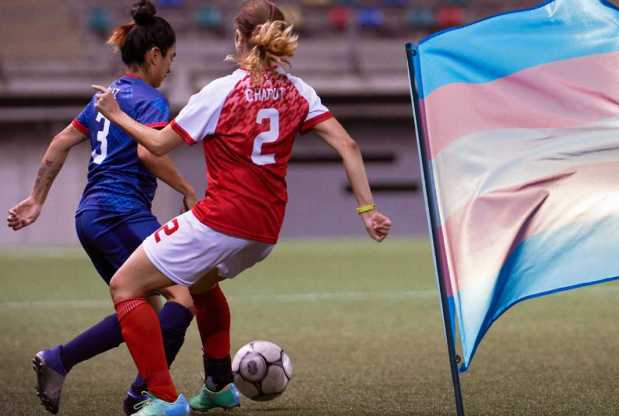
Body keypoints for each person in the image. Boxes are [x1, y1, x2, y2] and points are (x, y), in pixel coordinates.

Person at [92, 0, 392, 414]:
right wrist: (367, 210)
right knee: (200, 285)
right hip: (265, 232)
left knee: (124, 286)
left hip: (220, 221)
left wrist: (115, 113)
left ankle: (163, 399)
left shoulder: (221, 91)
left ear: (239, 38)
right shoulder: (299, 91)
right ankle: (218, 384)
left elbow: (158, 144)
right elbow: (348, 145)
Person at [7, 2, 197, 415]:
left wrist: (38, 199)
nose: (169, 68)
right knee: (182, 299)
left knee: (142, 309)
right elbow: (150, 155)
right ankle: (145, 395)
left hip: (89, 216)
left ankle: (59, 361)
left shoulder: (106, 97)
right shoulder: (151, 101)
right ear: (153, 56)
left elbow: (59, 144)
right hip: (122, 212)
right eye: (170, 59)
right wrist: (187, 189)